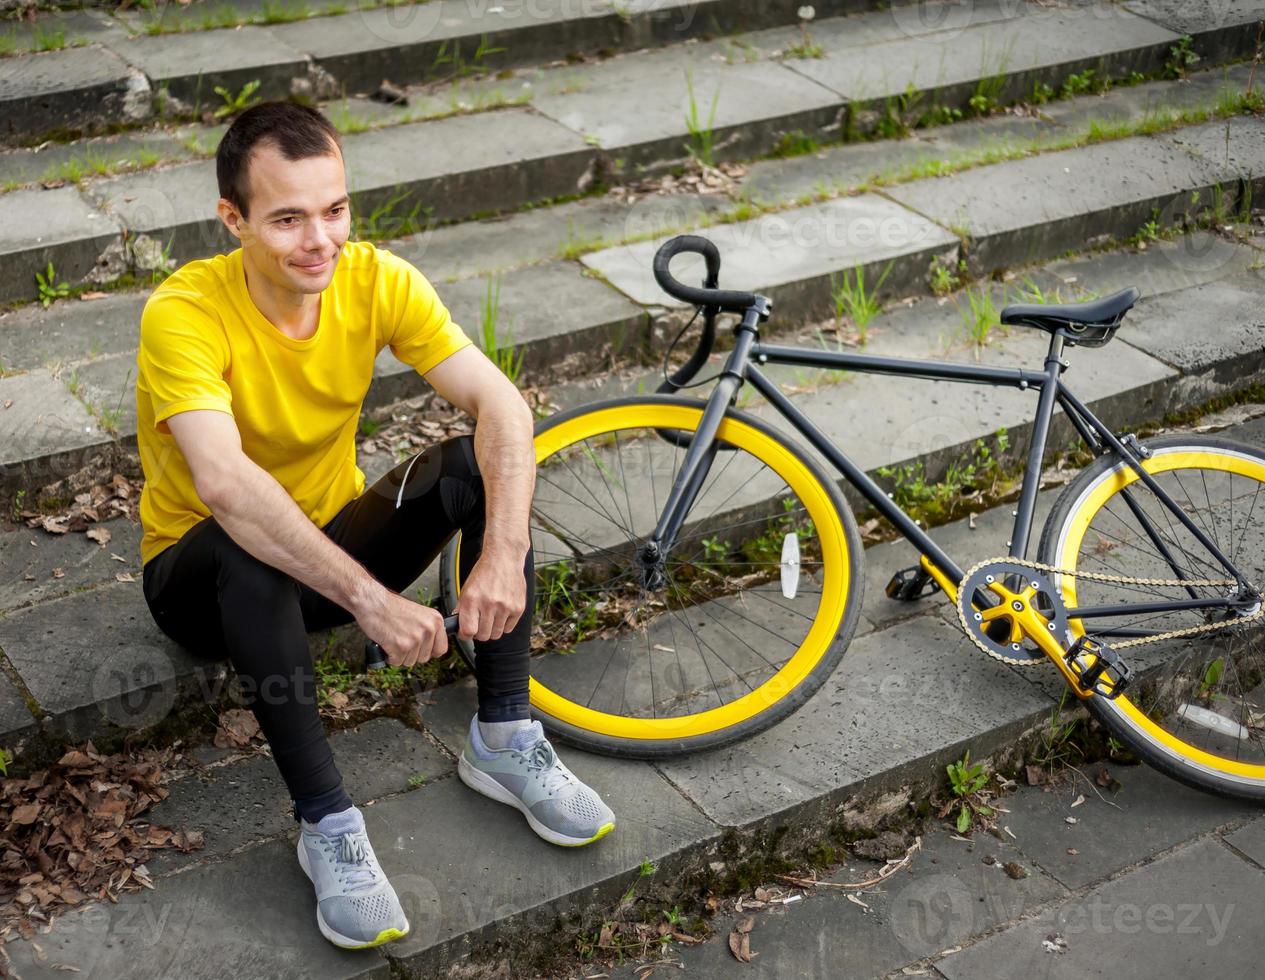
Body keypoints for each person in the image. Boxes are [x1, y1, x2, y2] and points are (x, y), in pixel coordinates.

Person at [135, 101, 616, 951]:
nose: (320, 239)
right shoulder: (184, 313)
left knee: (472, 466)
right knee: (245, 550)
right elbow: (225, 484)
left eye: (335, 209)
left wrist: (504, 552)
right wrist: (371, 601)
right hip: (201, 583)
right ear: (232, 219)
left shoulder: (375, 278)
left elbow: (499, 402)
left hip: (327, 547)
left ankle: (504, 736)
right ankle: (327, 824)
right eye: (286, 218)